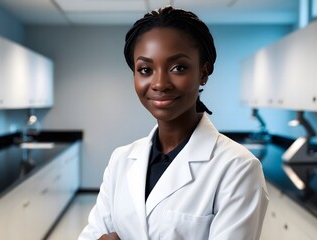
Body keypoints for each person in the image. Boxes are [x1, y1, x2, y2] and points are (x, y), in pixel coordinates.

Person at [79, 5, 268, 240]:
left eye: (178, 67)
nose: (160, 83)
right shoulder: (121, 160)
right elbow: (91, 235)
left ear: (203, 72)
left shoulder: (238, 168)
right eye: (145, 69)